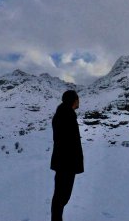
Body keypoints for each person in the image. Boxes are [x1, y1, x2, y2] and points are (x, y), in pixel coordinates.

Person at [50, 90, 84, 221]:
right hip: (66, 163)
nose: (79, 101)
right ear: (72, 100)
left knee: (62, 196)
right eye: (77, 99)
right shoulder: (66, 115)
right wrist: (73, 161)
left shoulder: (65, 113)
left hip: (65, 162)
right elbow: (66, 141)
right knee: (62, 196)